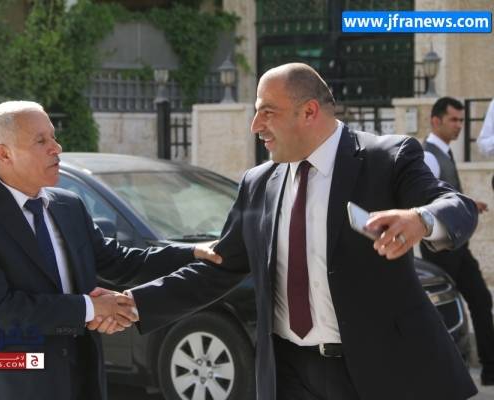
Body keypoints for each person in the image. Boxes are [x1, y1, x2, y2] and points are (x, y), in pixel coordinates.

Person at [98, 64, 480, 400]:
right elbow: (221, 267)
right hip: (290, 375)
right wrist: (134, 303)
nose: (255, 126)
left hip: (379, 372)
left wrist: (420, 219)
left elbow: (457, 205)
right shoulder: (258, 183)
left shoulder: (386, 158)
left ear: (309, 111)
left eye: (267, 112)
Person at [0, 101, 221, 400]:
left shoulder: (68, 205)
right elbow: (0, 312)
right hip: (9, 388)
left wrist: (192, 252)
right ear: (4, 153)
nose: (56, 148)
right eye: (41, 141)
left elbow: (118, 262)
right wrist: (92, 308)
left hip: (80, 379)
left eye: (53, 136)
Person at [422, 96, 494, 385]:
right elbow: (426, 202)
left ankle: (490, 369)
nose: (459, 126)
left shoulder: (445, 153)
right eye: (453, 119)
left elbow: (444, 195)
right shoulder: (429, 156)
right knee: (442, 311)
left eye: (462, 120)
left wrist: (467, 204)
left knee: (480, 299)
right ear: (435, 120)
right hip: (440, 249)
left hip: (458, 247)